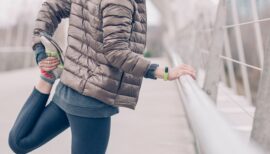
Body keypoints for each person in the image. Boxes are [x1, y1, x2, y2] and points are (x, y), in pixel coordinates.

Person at [8, 0, 196, 154]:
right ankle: (49, 77)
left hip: (68, 89)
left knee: (20, 141)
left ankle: (48, 78)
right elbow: (116, 52)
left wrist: (40, 49)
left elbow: (51, 7)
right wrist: (163, 72)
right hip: (92, 100)